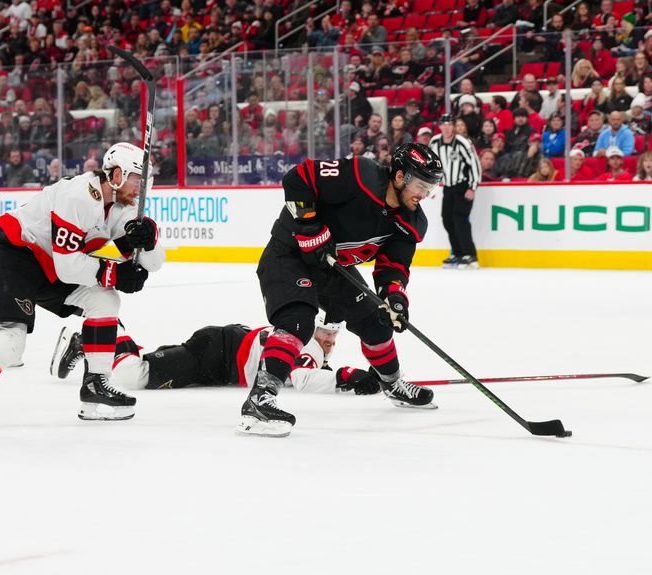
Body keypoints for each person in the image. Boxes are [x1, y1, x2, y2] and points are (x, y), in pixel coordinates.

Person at [0, 143, 164, 433]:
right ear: (117, 174)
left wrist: (149, 239)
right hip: (12, 256)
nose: (144, 186)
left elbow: (154, 263)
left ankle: (95, 389)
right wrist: (114, 273)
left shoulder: (124, 208)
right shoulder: (79, 196)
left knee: (105, 301)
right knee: (9, 342)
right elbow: (69, 268)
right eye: (138, 177)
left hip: (48, 266)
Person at [235, 143, 443, 437]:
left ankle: (393, 384)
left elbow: (393, 267)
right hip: (289, 255)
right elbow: (298, 178)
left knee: (377, 322)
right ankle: (259, 400)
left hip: (332, 268)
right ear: (399, 176)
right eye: (421, 185)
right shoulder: (360, 175)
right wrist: (309, 225)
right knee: (298, 321)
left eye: (430, 188)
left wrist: (394, 297)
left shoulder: (410, 222)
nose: (424, 195)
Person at [50, 313, 382, 396]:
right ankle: (103, 331)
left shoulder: (303, 338)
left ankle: (96, 342)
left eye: (334, 335)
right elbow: (301, 376)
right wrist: (345, 378)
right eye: (327, 333)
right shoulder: (306, 343)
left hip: (217, 354)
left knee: (141, 370)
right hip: (214, 354)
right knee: (131, 378)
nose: (331, 342)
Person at [429, 114, 482, 270]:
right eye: (444, 124)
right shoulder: (435, 142)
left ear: (454, 126)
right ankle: (458, 254)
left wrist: (472, 187)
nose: (447, 127)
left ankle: (470, 255)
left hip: (463, 185)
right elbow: (432, 164)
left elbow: (474, 165)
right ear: (440, 126)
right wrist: (430, 185)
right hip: (448, 187)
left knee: (460, 219)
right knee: (447, 219)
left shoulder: (462, 143)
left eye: (450, 124)